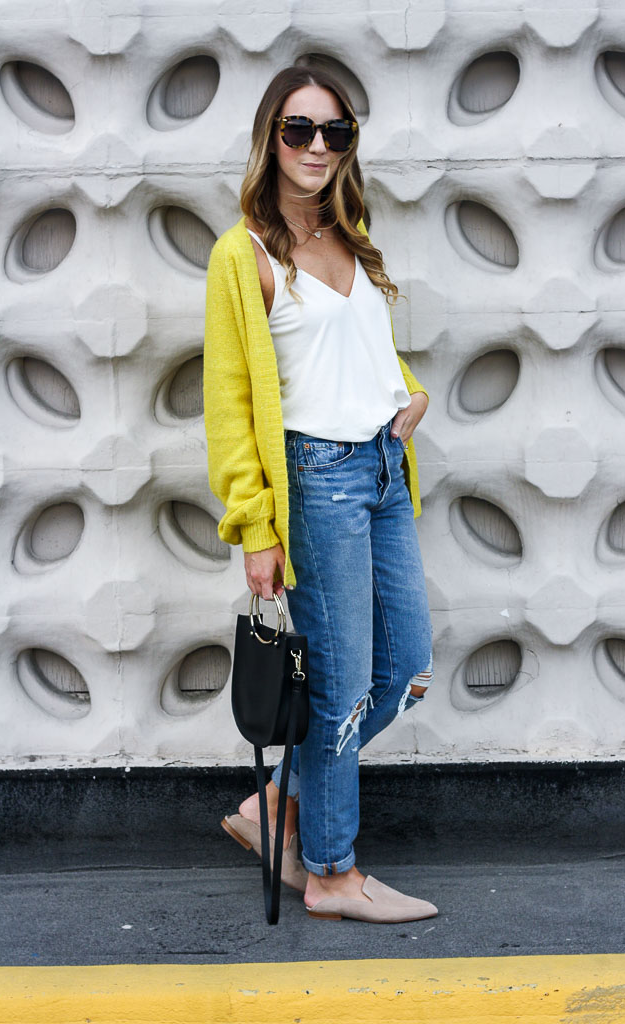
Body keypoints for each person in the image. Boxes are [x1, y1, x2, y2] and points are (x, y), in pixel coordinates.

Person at [204, 65, 436, 923]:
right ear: (272, 136)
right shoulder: (244, 254)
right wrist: (254, 526)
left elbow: (363, 350)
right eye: (299, 130)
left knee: (404, 667)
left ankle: (276, 808)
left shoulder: (351, 228)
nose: (316, 148)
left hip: (380, 468)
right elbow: (229, 400)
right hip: (316, 481)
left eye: (334, 132)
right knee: (337, 689)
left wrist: (409, 393)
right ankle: (333, 875)